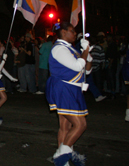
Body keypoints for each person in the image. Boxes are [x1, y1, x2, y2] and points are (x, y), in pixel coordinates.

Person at [46, 22, 92, 166]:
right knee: (80, 124)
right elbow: (78, 66)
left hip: (72, 89)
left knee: (65, 126)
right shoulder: (59, 49)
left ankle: (63, 157)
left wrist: (87, 53)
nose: (75, 34)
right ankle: (61, 155)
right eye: (72, 31)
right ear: (64, 32)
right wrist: (84, 52)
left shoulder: (71, 49)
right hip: (63, 89)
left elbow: (87, 70)